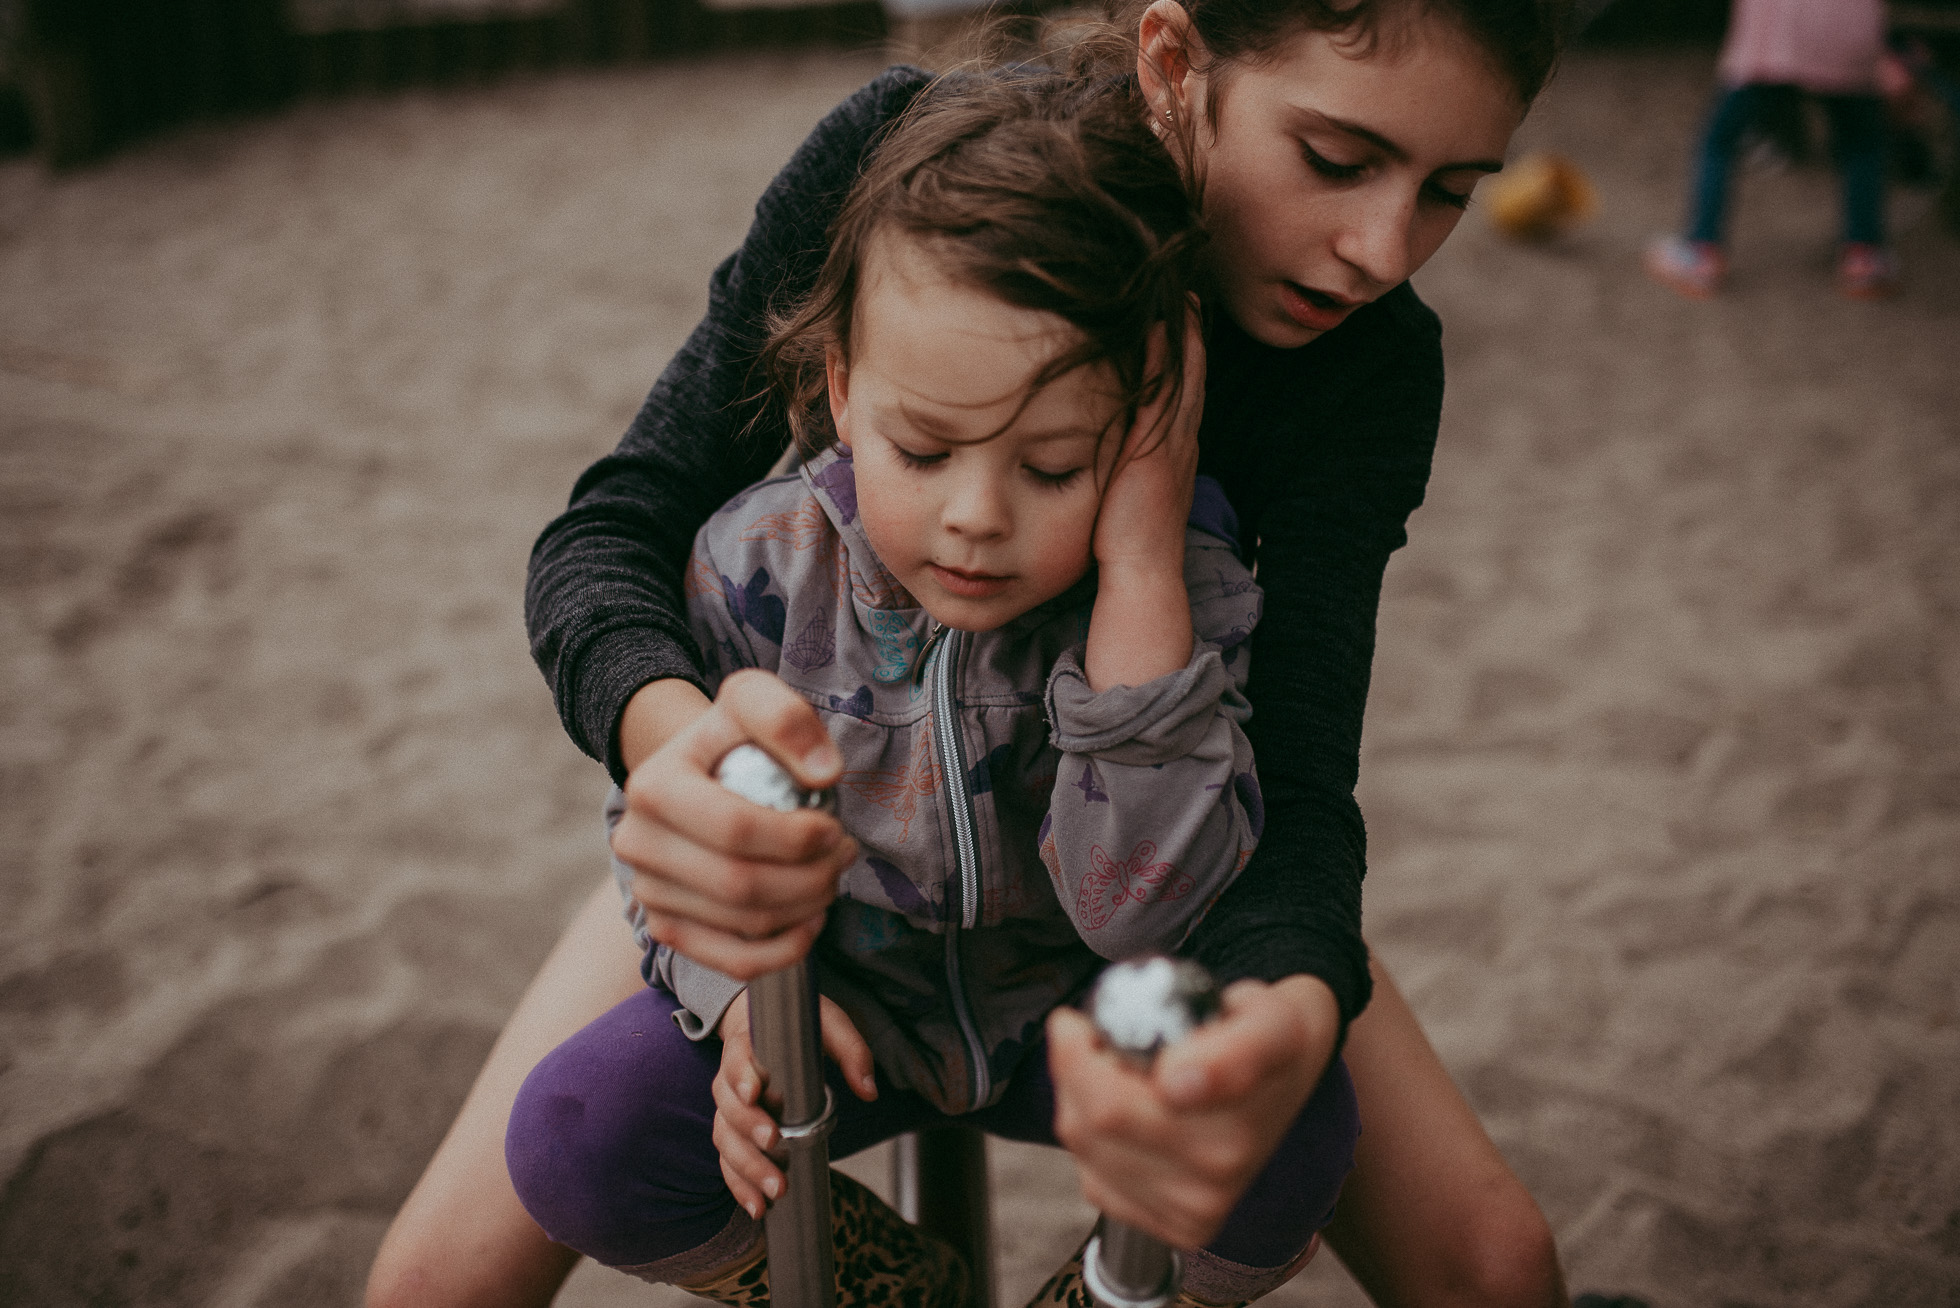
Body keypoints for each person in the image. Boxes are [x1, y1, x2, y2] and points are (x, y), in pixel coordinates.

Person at [367, 2, 1577, 1306]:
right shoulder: (913, 163)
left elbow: (1295, 780)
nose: (1380, 251)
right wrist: (683, 760)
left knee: (1498, 1266)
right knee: (436, 1276)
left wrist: (1281, 1015)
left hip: (1148, 833)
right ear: (1178, 65)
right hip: (858, 811)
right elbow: (616, 528)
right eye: (1337, 160)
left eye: (1450, 193)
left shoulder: (1368, 367)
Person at [502, 72, 1351, 1306]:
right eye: (922, 449)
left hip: (1073, 1016)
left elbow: (1138, 909)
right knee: (578, 1132)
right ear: (841, 384)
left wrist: (1143, 570)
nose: (974, 518)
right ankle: (905, 1294)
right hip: (846, 1014)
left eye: (1054, 466)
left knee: (1303, 1128)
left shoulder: (1185, 600)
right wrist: (731, 998)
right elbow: (675, 841)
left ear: (1139, 441)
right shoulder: (753, 572)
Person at [1644, 0, 1897, 300]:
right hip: (1849, 35)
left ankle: (1701, 251)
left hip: (1777, 39)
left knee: (1720, 139)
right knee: (1862, 142)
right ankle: (1864, 257)